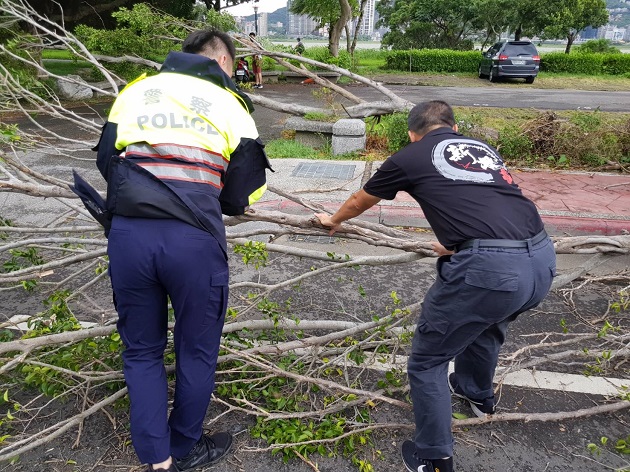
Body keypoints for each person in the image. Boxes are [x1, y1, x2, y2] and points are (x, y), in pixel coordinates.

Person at [315, 100, 556, 472]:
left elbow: (360, 199)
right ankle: (478, 396)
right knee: (487, 326)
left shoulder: (408, 157)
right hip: (540, 258)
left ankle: (434, 457)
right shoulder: (482, 149)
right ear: (453, 127)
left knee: (428, 361)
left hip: (489, 271)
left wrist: (332, 219)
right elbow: (490, 202)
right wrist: (460, 242)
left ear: (412, 133)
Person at [92, 29, 271, 472]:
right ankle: (186, 446)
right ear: (225, 63)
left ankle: (158, 459)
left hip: (130, 237)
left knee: (141, 349)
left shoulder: (136, 89)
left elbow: (105, 160)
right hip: (193, 241)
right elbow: (242, 195)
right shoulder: (231, 103)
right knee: (196, 350)